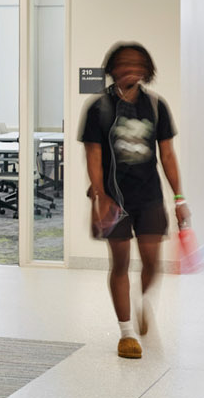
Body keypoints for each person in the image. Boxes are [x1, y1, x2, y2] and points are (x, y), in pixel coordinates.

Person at [79, 42, 187, 359]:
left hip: (150, 197)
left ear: (146, 69)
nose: (131, 68)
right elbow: (93, 156)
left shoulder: (156, 107)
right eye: (124, 63)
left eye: (137, 63)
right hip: (114, 199)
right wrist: (99, 196)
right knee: (121, 264)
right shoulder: (98, 108)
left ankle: (144, 303)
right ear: (112, 68)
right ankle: (126, 332)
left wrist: (180, 199)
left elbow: (167, 154)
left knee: (153, 264)